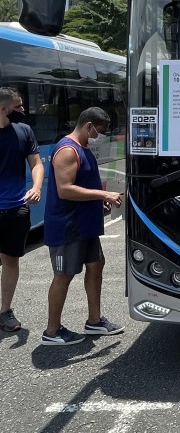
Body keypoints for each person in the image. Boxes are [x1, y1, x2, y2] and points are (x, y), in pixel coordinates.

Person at [42, 107, 123, 345]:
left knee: (96, 264)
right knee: (64, 275)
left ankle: (95, 321)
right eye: (100, 131)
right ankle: (52, 331)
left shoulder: (84, 148)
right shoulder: (67, 150)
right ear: (88, 126)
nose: (102, 136)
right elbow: (65, 189)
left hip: (85, 224)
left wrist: (99, 203)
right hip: (68, 226)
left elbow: (83, 184)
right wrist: (102, 194)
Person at [0, 88, 44, 332]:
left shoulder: (24, 131)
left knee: (10, 260)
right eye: (19, 107)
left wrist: (36, 186)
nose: (23, 112)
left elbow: (36, 163)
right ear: (4, 109)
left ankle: (5, 310)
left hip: (16, 209)